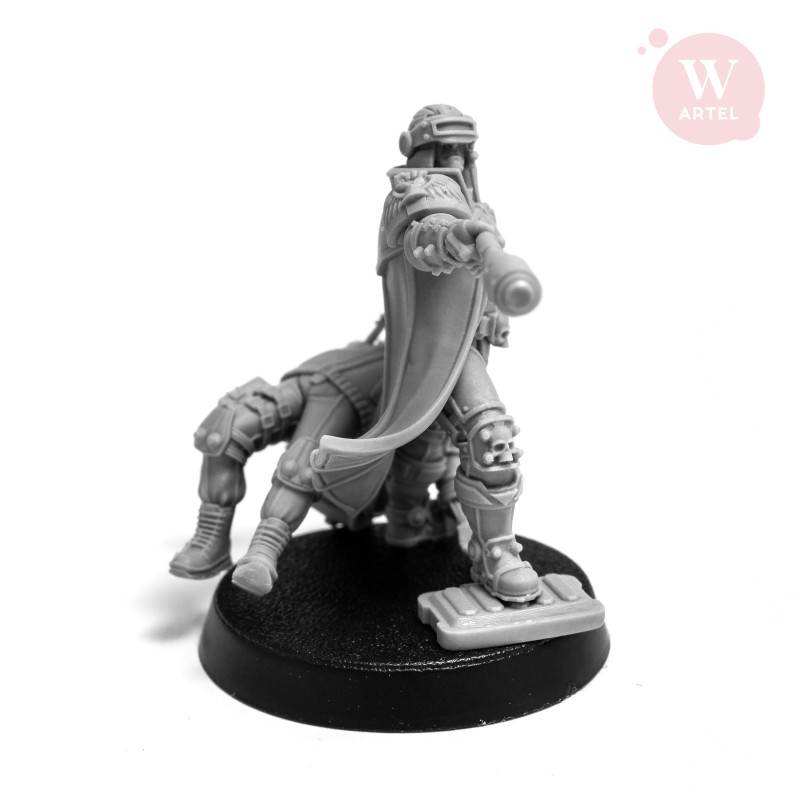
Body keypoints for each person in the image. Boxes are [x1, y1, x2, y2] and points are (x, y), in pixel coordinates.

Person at [312, 105, 541, 603]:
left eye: (462, 149)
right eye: (444, 148)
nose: (454, 159)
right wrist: (454, 239)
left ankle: (410, 520)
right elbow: (424, 236)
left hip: (469, 341)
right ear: (418, 149)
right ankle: (497, 553)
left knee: (435, 444)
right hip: (435, 347)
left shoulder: (475, 202)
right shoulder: (412, 191)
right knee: (491, 435)